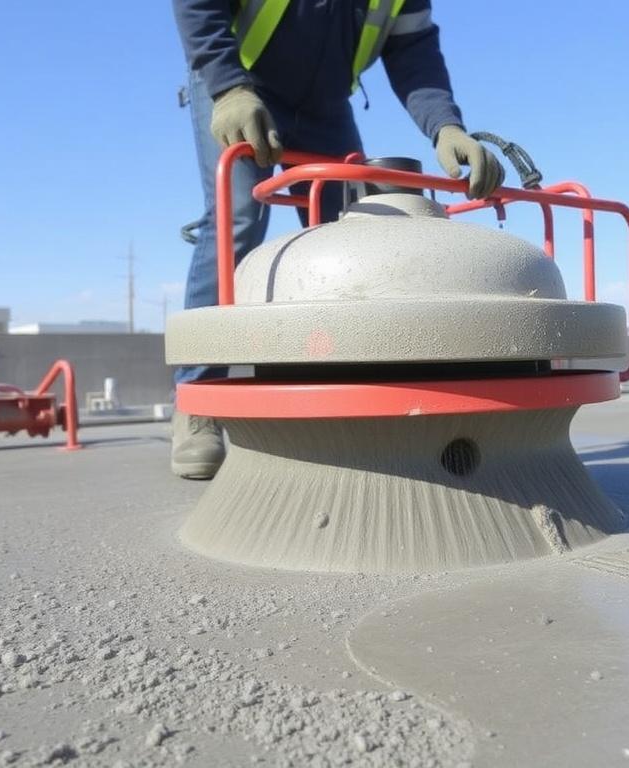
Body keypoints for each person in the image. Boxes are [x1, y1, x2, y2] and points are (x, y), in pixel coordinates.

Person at [170, 0, 505, 479]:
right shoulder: (233, 86)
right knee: (239, 215)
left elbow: (413, 51)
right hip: (243, 87)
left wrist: (446, 125)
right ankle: (197, 401)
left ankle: (342, 387)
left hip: (324, 105)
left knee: (350, 233)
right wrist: (227, 88)